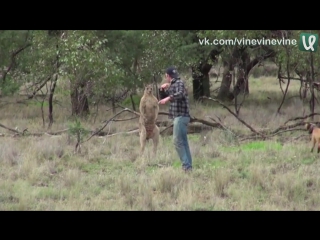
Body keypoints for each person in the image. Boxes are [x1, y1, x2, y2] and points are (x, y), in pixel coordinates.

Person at [158, 66, 193, 172]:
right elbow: (165, 97)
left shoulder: (179, 83)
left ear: (167, 76)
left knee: (177, 141)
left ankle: (186, 166)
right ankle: (188, 166)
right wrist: (162, 90)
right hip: (179, 116)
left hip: (181, 116)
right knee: (183, 142)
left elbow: (180, 94)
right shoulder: (173, 85)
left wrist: (169, 98)